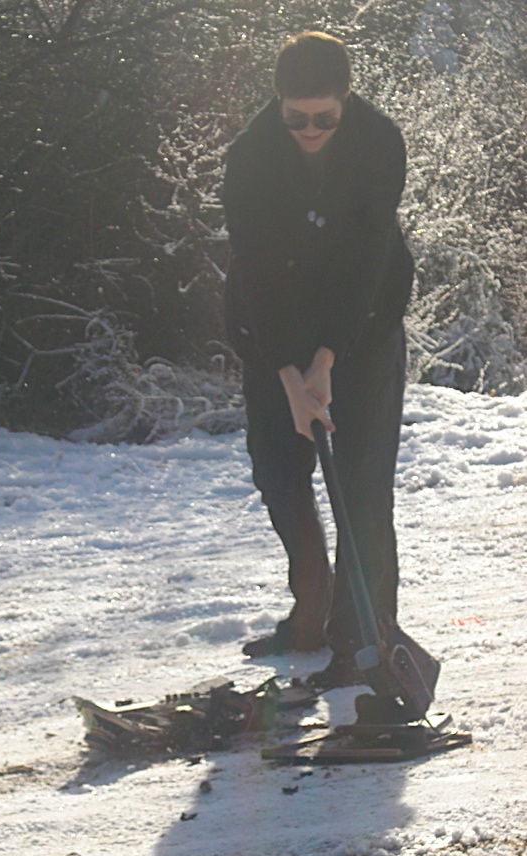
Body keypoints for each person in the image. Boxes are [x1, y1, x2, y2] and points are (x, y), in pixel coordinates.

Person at [223, 31, 415, 688]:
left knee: (362, 482)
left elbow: (366, 259)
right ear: (278, 103)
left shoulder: (378, 143)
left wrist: (328, 359)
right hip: (270, 327)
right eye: (295, 118)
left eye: (324, 118)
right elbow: (255, 267)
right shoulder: (250, 155)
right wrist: (287, 373)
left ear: (346, 98)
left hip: (363, 329)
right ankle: (311, 612)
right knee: (278, 472)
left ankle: (365, 634)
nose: (309, 130)